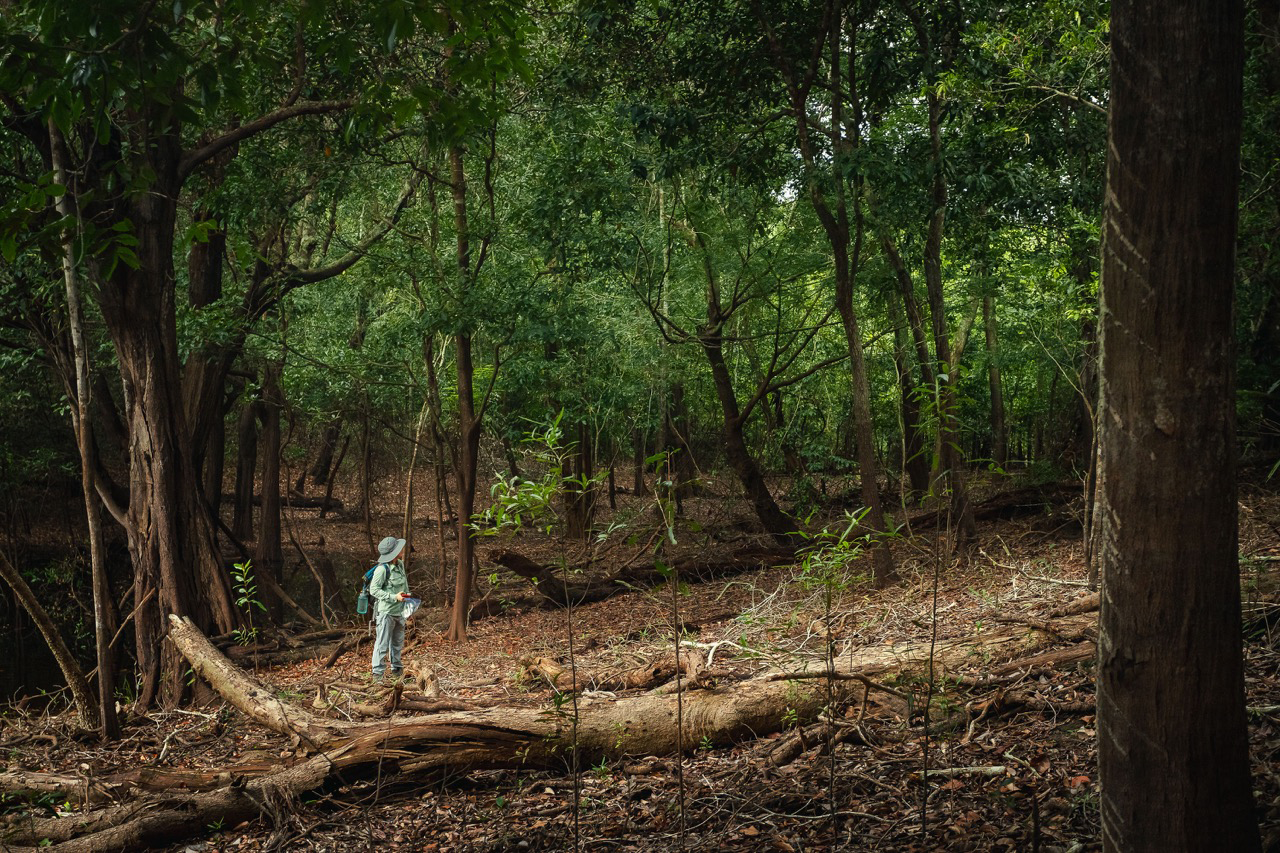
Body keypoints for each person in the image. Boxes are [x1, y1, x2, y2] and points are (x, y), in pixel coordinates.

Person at [369, 535, 411, 683]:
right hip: (386, 612)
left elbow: (404, 585)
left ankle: (397, 672)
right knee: (382, 644)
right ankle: (377, 677)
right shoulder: (382, 570)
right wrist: (394, 597)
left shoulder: (399, 564)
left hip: (400, 612)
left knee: (397, 643)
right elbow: (373, 590)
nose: (403, 550)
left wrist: (407, 599)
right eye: (400, 549)